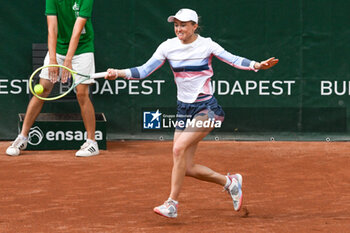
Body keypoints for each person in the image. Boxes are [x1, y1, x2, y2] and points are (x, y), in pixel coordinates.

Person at [105, 8, 279, 218]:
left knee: (178, 149)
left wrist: (256, 65)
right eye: (176, 24)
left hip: (207, 109)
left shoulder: (207, 45)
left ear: (195, 26)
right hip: (183, 109)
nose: (179, 28)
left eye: (184, 24)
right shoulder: (167, 47)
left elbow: (233, 59)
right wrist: (119, 73)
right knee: (185, 166)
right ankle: (230, 182)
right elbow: (143, 70)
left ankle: (172, 203)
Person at [6, 0, 99, 157]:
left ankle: (91, 142)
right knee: (42, 89)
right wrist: (53, 60)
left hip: (83, 49)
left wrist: (68, 60)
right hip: (59, 48)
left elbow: (77, 29)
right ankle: (22, 137)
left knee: (82, 93)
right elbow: (52, 28)